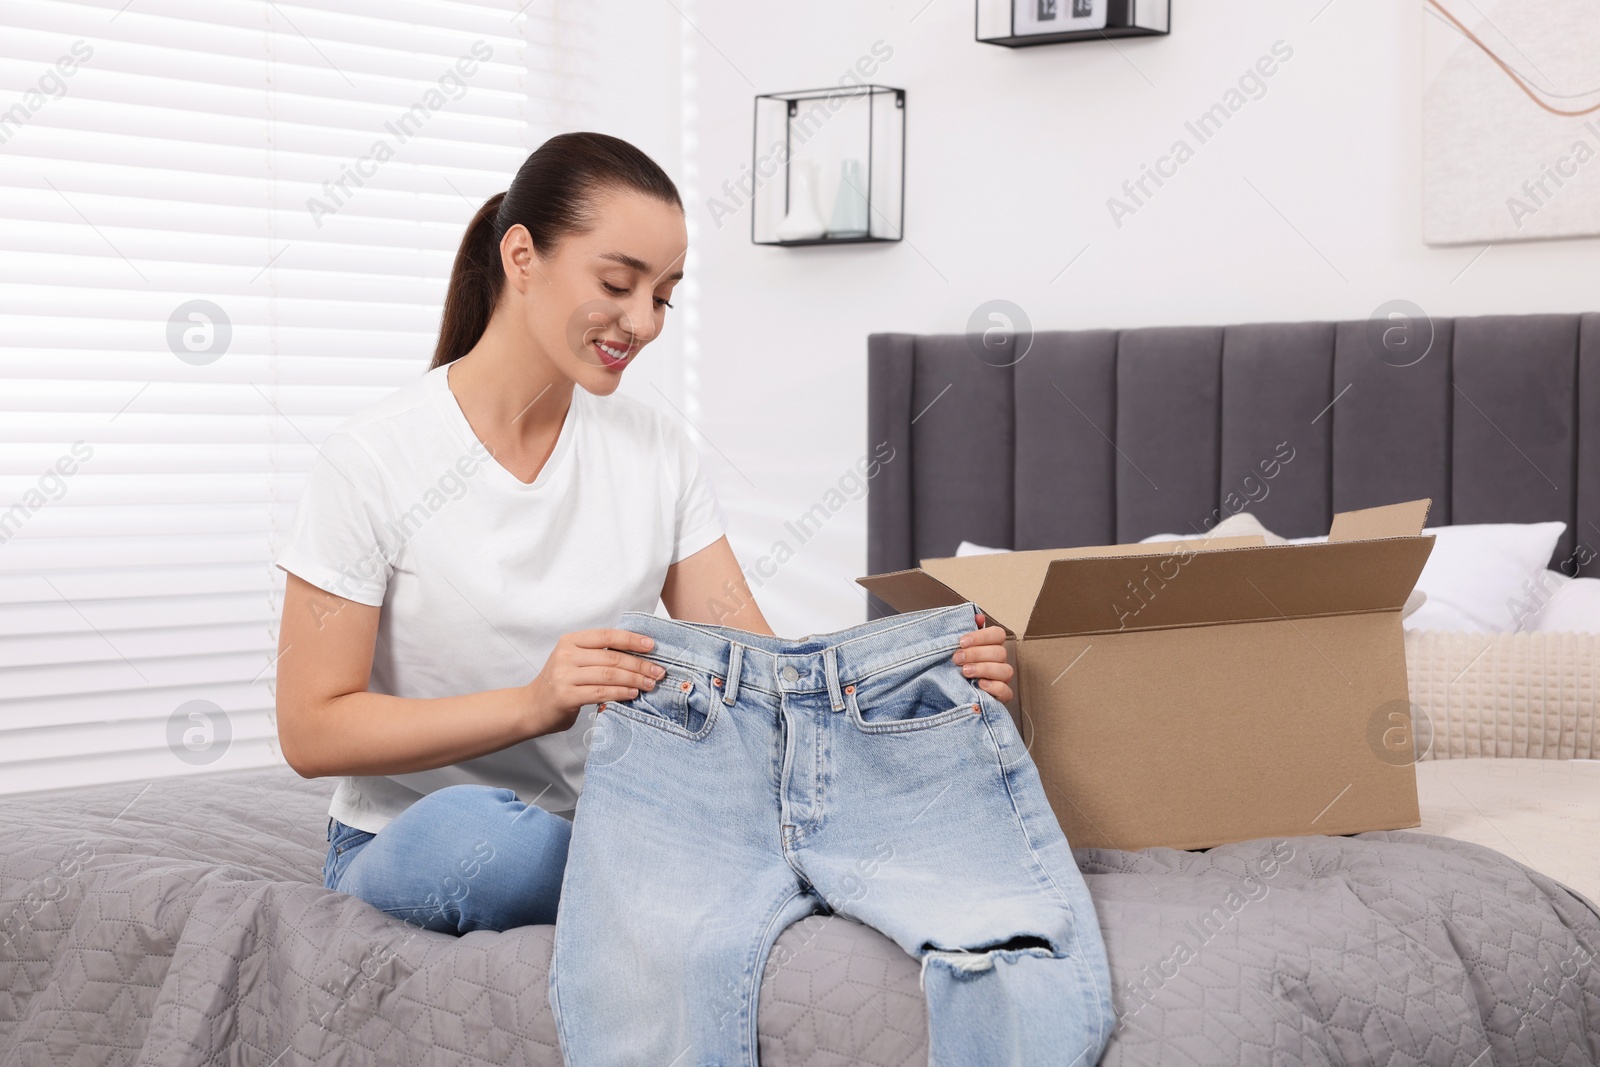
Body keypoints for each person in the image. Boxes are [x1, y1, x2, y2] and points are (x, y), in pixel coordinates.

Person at [273, 131, 1016, 935]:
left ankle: (704, 868)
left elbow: (762, 677)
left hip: (614, 821)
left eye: (662, 295)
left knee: (681, 818)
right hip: (412, 835)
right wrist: (533, 704)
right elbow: (312, 728)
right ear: (521, 256)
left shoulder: (656, 451)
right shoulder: (372, 457)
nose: (642, 322)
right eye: (618, 283)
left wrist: (921, 677)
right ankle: (743, 872)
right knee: (484, 843)